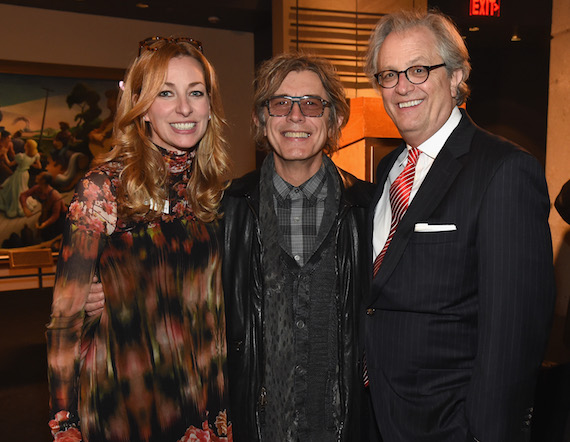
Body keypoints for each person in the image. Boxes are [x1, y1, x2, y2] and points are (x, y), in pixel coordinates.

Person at [87, 52, 377, 442]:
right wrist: (116, 288)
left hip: (345, 424)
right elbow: (174, 281)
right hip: (250, 425)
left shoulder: (371, 209)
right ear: (260, 119)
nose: (295, 117)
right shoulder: (221, 210)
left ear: (335, 119)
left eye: (311, 104)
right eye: (280, 104)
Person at [362, 9, 556, 442]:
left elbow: (514, 334)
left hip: (450, 428)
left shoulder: (504, 171)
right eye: (388, 74)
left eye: (418, 69)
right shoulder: (388, 170)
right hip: (377, 420)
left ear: (455, 77)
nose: (402, 87)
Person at [46, 36, 232, 442]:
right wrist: (65, 425)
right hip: (128, 405)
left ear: (209, 106)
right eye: (166, 93)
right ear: (143, 109)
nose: (184, 107)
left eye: (195, 93)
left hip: (203, 401)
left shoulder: (213, 192)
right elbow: (64, 322)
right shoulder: (103, 189)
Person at [19, 171, 67, 242]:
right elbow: (23, 195)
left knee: (51, 236)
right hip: (47, 210)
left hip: (60, 216)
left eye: (39, 175)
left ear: (44, 181)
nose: (37, 176)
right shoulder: (37, 188)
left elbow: (55, 215)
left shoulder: (55, 196)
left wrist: (45, 224)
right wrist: (25, 208)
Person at [0, 138, 41, 218]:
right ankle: (23, 203)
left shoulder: (21, 156)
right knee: (23, 189)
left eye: (26, 144)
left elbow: (10, 164)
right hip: (26, 174)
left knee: (16, 190)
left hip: (19, 175)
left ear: (27, 147)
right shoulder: (35, 155)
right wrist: (29, 163)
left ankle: (16, 206)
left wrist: (5, 154)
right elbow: (39, 166)